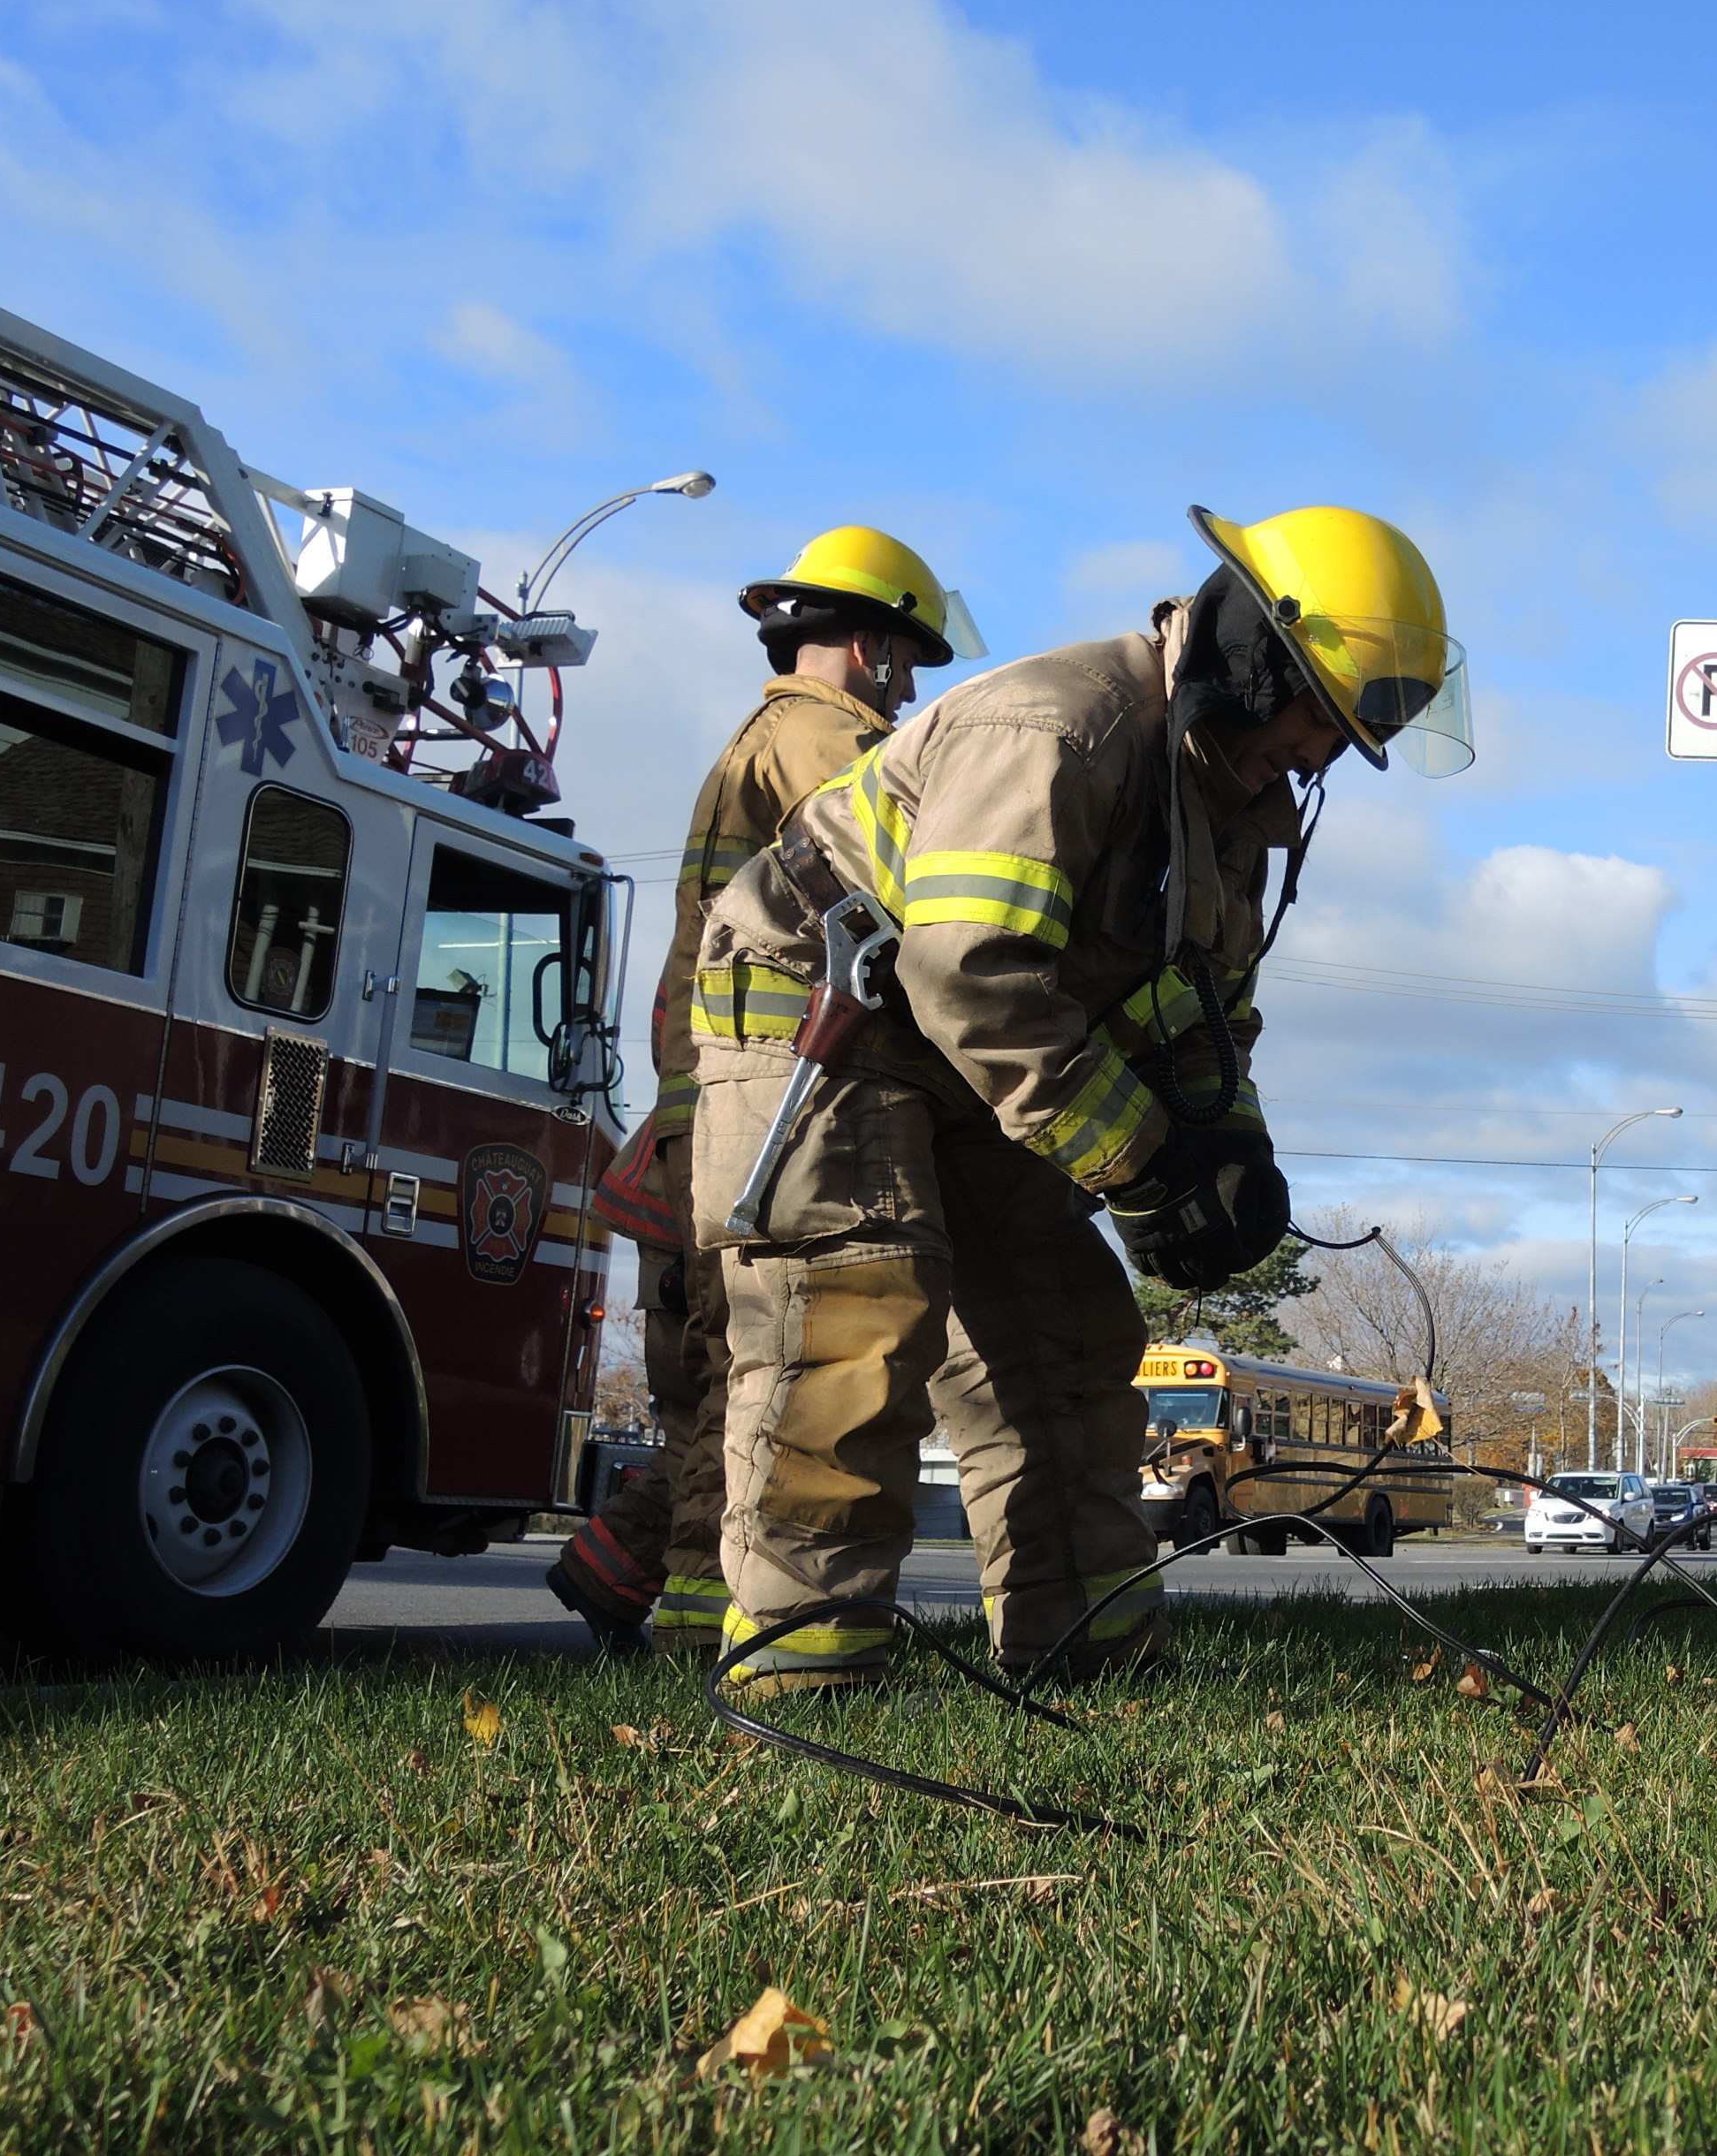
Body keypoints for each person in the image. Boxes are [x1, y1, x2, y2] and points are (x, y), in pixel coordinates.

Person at [688, 505, 1469, 1690]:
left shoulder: (1225, 805)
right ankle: (808, 1680)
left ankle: (1091, 1655)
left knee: (1069, 1338)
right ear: (1254, 658)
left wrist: (1228, 1160)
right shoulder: (1056, 728)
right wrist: (1146, 1164)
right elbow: (972, 970)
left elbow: (1199, 1009)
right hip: (822, 1019)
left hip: (971, 1058)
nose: (1315, 757)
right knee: (853, 1324)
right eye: (1318, 716)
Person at [547, 526, 984, 1651]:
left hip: (713, 1116)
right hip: (773, 1109)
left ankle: (614, 1578)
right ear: (863, 644)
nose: (911, 685)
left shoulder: (764, 737)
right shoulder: (820, 739)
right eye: (905, 657)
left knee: (723, 1384)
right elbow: (916, 888)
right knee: (755, 1386)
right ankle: (711, 1631)